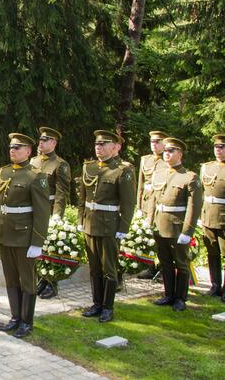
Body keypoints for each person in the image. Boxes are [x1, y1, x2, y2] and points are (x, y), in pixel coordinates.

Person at [0, 133, 50, 338]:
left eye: (18, 147)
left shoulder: (36, 176)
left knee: (27, 280)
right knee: (11, 279)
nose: (13, 150)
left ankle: (27, 322)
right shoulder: (4, 172)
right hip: (5, 233)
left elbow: (42, 213)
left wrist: (37, 242)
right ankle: (15, 318)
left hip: (24, 237)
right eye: (11, 147)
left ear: (28, 151)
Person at [78, 130, 136, 323]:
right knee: (94, 267)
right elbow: (82, 198)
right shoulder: (89, 167)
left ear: (115, 147)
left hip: (109, 225)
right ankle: (97, 304)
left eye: (103, 144)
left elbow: (128, 203)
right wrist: (80, 220)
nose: (99, 147)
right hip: (90, 224)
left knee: (108, 268)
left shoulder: (123, 169)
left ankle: (108, 307)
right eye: (97, 144)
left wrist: (123, 227)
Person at [148, 138, 202, 311]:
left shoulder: (189, 177)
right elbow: (153, 200)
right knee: (165, 263)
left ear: (180, 153)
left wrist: (187, 231)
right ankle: (168, 294)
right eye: (165, 151)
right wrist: (150, 222)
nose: (167, 153)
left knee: (181, 263)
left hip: (177, 227)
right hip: (160, 225)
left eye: (171, 151)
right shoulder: (159, 174)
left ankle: (180, 298)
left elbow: (194, 207)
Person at [30, 127, 71, 299]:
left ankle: (51, 283)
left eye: (45, 140)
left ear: (53, 143)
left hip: (48, 209)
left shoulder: (60, 164)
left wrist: (57, 216)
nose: (41, 142)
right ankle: (41, 278)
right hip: (33, 209)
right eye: (40, 139)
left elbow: (62, 193)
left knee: (49, 246)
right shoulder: (33, 161)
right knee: (35, 245)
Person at [200, 134, 225, 303]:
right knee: (212, 252)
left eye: (222, 147)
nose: (218, 150)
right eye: (216, 147)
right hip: (208, 215)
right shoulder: (206, 167)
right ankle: (215, 285)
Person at [135, 130, 169, 280]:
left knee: (160, 237)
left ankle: (162, 268)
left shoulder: (167, 161)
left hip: (160, 204)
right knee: (147, 236)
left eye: (157, 142)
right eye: (152, 142)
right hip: (146, 202)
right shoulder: (145, 159)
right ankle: (149, 267)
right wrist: (138, 206)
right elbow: (140, 185)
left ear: (164, 144)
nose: (154, 145)